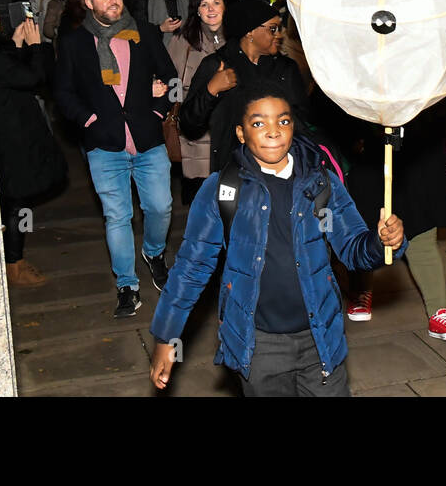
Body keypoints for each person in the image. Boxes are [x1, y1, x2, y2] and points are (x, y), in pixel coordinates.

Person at [148, 88, 406, 396]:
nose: (273, 131)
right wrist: (166, 337)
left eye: (283, 121)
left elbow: (353, 250)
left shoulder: (320, 183)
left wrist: (383, 242)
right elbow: (191, 268)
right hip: (259, 346)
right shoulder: (222, 190)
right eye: (259, 124)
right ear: (241, 134)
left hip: (320, 337)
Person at [53, 0, 178, 318]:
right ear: (88, 1)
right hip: (104, 147)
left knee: (160, 207)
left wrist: (157, 111)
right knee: (117, 217)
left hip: (148, 140)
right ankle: (127, 284)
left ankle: (153, 252)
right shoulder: (75, 42)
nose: (113, 0)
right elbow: (62, 92)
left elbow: (170, 78)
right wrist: (89, 120)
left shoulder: (143, 34)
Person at [343, 95, 446, 339]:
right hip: (369, 153)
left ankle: (438, 310)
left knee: (421, 229)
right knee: (365, 223)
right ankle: (360, 289)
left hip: (419, 150)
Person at [0, 0, 66, 287]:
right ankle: (15, 263)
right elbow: (33, 78)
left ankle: (11, 257)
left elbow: (6, 73)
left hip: (1, 133)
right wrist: (37, 46)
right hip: (13, 137)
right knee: (17, 202)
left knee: (13, 200)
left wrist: (15, 44)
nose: (1, 22)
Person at [179, 0, 308, 177]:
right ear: (250, 32)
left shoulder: (286, 68)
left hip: (282, 170)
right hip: (233, 173)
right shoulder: (217, 65)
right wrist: (211, 90)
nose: (279, 35)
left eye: (279, 28)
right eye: (272, 28)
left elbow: (301, 124)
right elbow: (188, 125)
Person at [167, 0, 226, 204]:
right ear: (197, 10)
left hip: (227, 127)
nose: (211, 9)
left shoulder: (239, 38)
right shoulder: (185, 40)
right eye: (204, 4)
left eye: (216, 3)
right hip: (195, 131)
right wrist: (174, 107)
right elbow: (172, 76)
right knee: (201, 196)